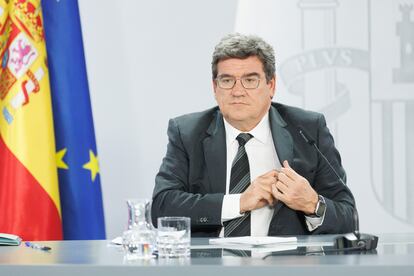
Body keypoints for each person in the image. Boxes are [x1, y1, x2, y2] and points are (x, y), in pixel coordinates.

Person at [152, 33, 356, 237]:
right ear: (215, 88)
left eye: (250, 80)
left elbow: (348, 217)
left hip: (285, 266)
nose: (237, 91)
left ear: (271, 85)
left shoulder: (308, 129)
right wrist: (240, 202)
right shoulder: (187, 132)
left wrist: (312, 204)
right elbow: (162, 208)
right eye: (227, 80)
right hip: (212, 267)